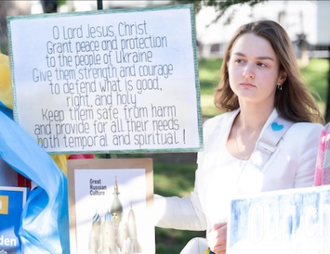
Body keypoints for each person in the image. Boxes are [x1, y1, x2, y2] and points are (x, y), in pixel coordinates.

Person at [153, 20, 324, 254]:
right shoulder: (213, 130)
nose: (247, 72)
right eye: (240, 60)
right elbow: (199, 212)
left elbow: (315, 229)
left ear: (281, 75)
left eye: (261, 64)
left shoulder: (306, 138)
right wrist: (139, 204)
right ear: (228, 65)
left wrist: (244, 235)